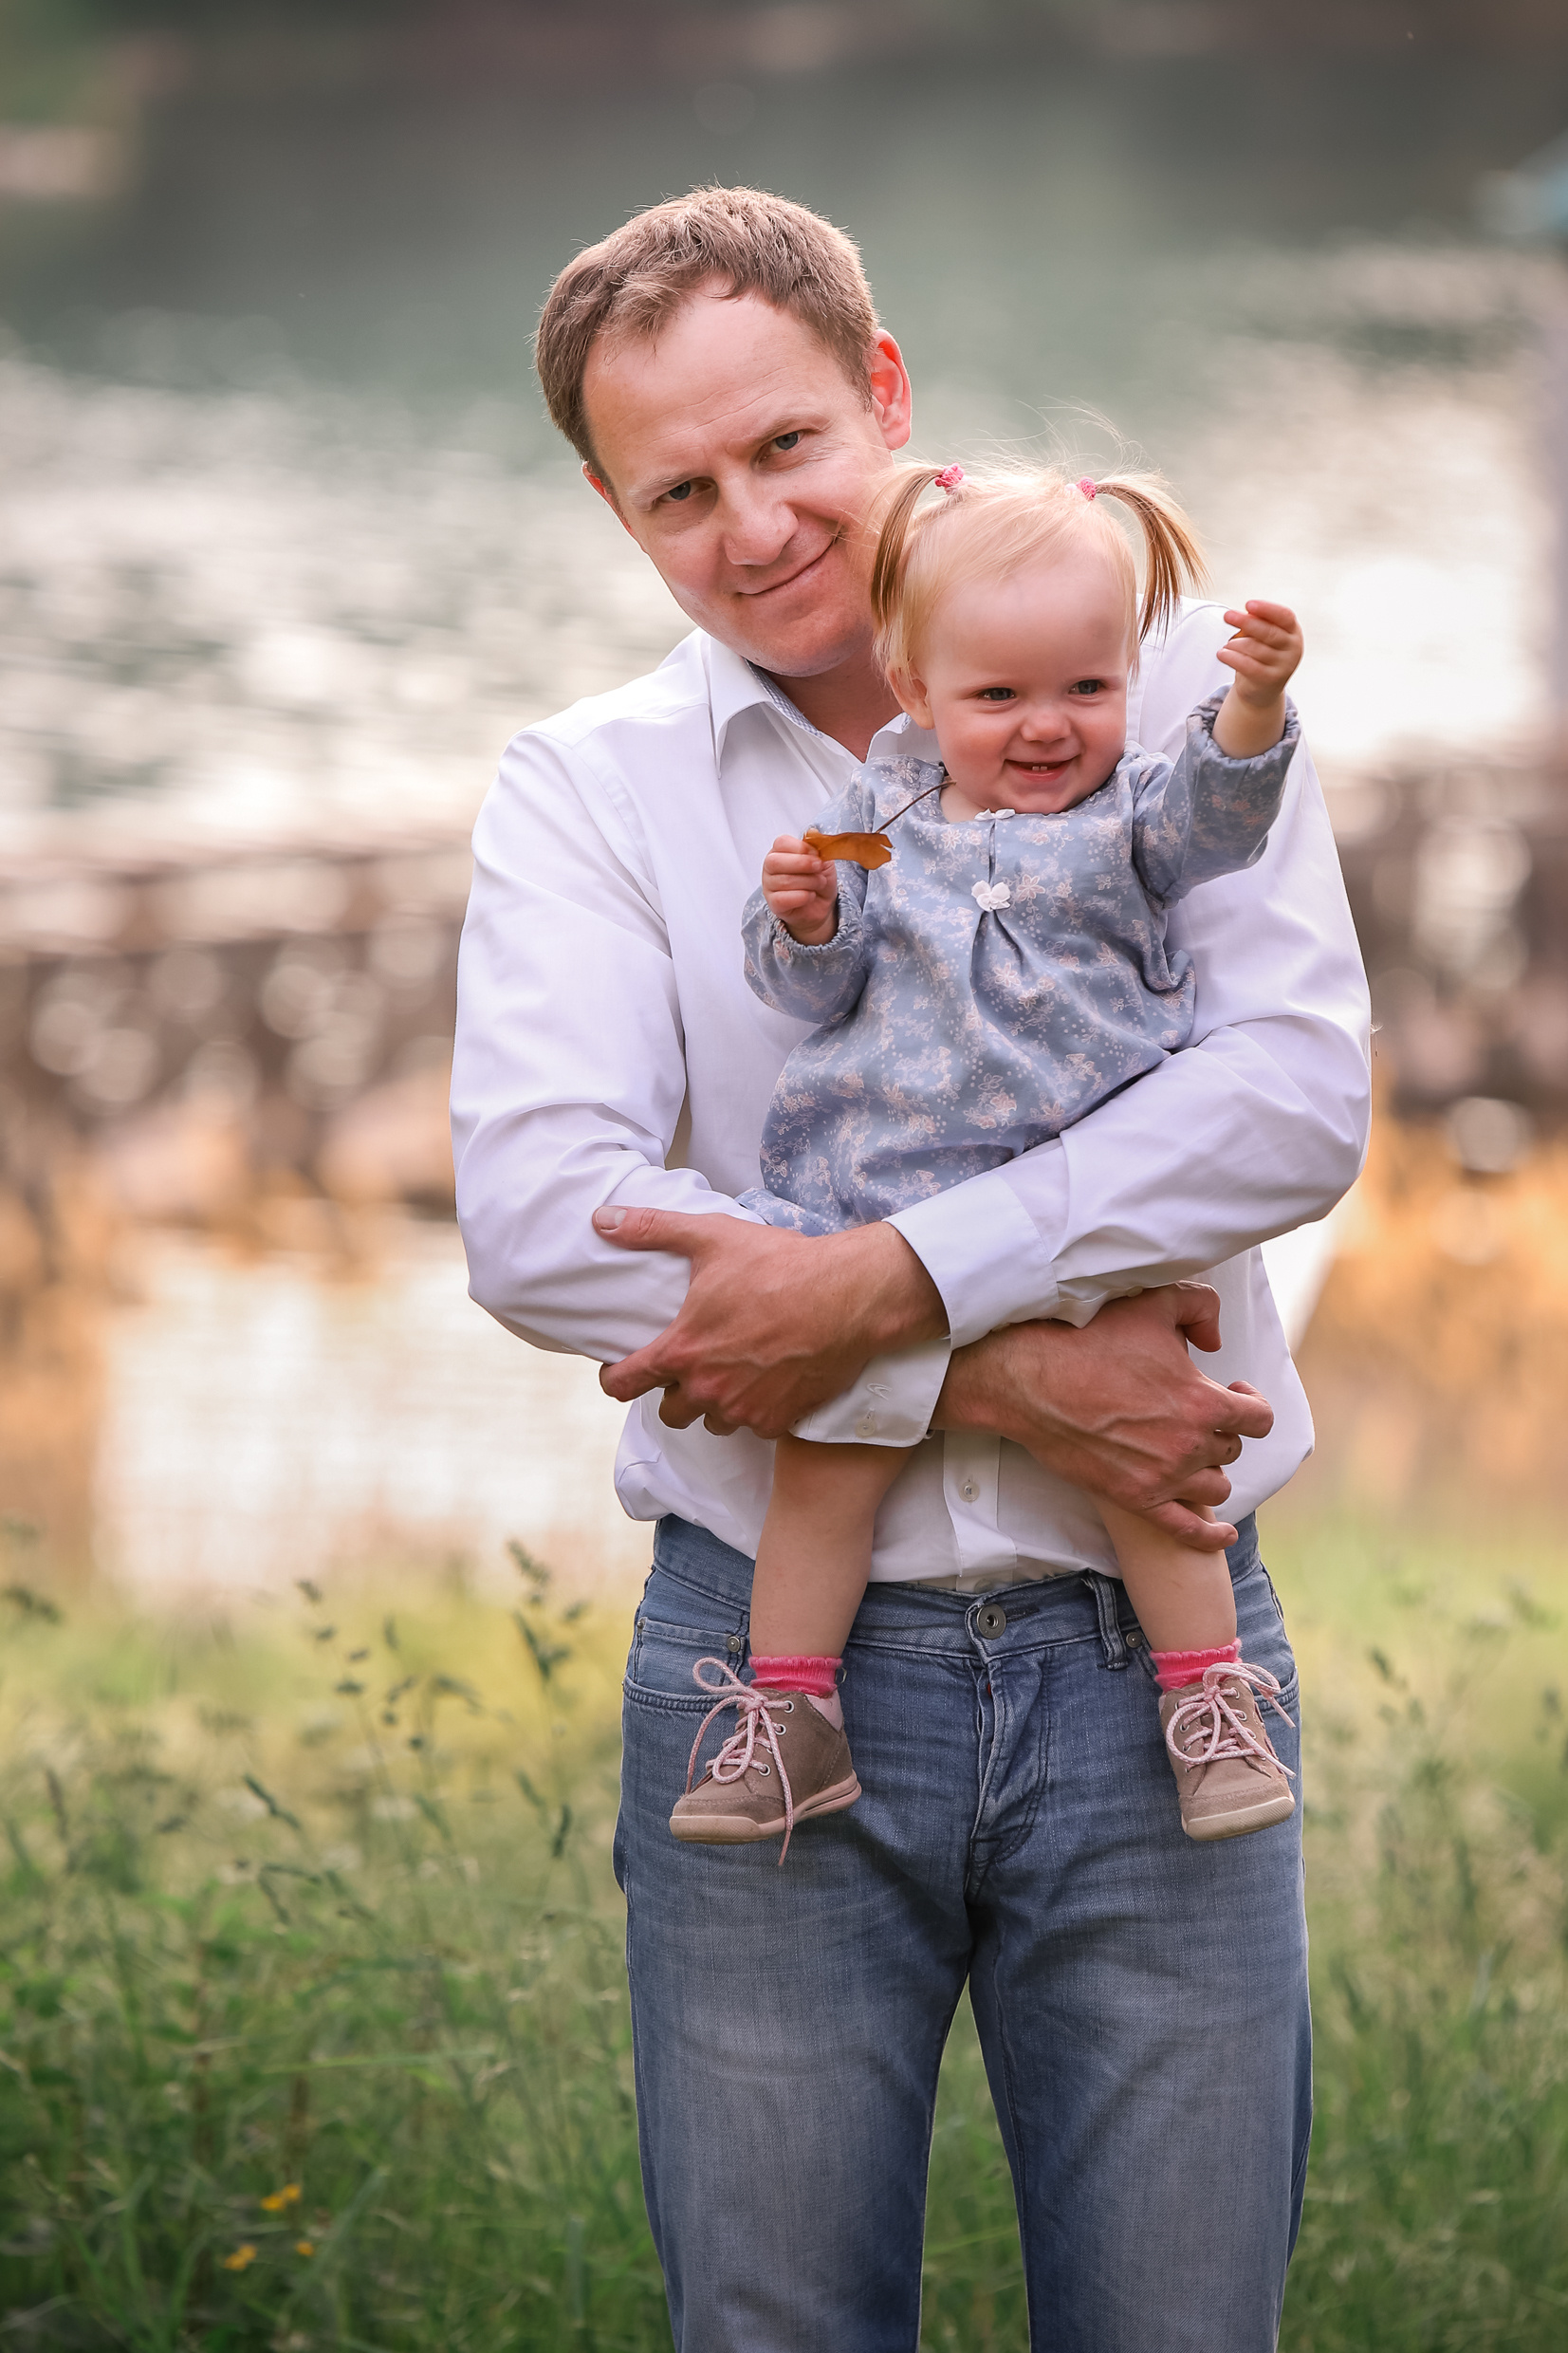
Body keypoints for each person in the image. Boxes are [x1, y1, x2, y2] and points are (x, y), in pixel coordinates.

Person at [452, 186, 1370, 2353]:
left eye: (783, 446)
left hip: (1158, 1651)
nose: (751, 525)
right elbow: (538, 1213)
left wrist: (868, 1290)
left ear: (881, 389)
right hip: (767, 1655)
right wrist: (999, 1366)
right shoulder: (592, 791)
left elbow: (1287, 1102)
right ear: (612, 507)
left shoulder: (1146, 693)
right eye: (676, 491)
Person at [669, 461, 1303, 1858]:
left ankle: (1210, 1700)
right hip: (889, 1206)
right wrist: (806, 919)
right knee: (821, 1464)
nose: (1044, 729)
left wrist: (1248, 703)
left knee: (1146, 1465)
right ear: (914, 687)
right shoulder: (871, 833)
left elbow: (1219, 810)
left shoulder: (1129, 816)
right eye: (998, 697)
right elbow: (808, 996)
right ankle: (790, 1715)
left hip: (1086, 1209)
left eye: (1083, 689)